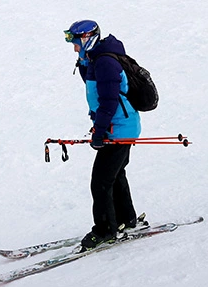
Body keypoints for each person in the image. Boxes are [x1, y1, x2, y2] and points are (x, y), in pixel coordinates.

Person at [65, 19, 147, 251]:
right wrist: (83, 62)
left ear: (86, 38)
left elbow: (108, 101)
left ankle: (105, 231)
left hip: (119, 129)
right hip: (120, 127)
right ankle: (125, 220)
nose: (74, 48)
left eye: (76, 43)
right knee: (115, 175)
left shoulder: (105, 63)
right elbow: (94, 87)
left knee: (100, 182)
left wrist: (100, 131)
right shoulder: (97, 60)